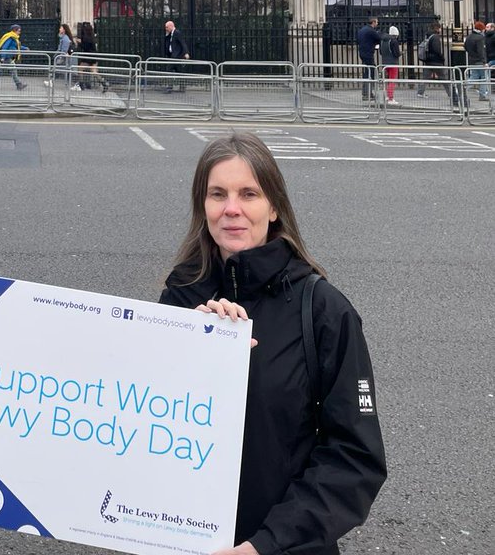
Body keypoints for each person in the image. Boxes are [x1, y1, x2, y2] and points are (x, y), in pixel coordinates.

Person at [160, 132, 386, 555]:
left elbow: (355, 459)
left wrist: (264, 546)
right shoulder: (180, 295)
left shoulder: (324, 310)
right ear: (202, 206)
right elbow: (131, 412)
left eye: (249, 193)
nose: (232, 208)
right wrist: (182, 347)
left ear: (274, 207)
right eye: (217, 194)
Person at [416, 21, 453, 100]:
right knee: (443, 77)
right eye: (440, 28)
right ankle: (451, 94)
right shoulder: (435, 37)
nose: (440, 30)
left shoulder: (427, 36)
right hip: (436, 61)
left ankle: (420, 92)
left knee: (425, 77)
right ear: (437, 28)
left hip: (428, 60)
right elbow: (437, 50)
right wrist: (442, 57)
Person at [0, 24, 26, 90]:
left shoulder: (14, 37)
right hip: (7, 57)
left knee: (0, 71)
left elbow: (16, 46)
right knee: (13, 70)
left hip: (7, 57)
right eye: (19, 31)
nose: (20, 32)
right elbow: (5, 47)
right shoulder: (10, 37)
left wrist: (25, 48)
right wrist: (3, 57)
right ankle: (19, 85)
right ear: (14, 30)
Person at [74, 20, 107, 93]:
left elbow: (85, 47)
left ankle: (81, 84)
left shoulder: (86, 38)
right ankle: (104, 83)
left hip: (88, 56)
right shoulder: (92, 37)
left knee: (80, 69)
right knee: (94, 72)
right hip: (94, 56)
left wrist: (79, 43)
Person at [356, 16, 382, 101]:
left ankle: (365, 93)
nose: (377, 24)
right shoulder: (371, 31)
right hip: (368, 54)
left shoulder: (362, 30)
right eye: (377, 22)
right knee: (371, 73)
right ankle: (368, 93)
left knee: (366, 73)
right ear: (373, 22)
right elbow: (379, 39)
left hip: (362, 53)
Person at [463, 20, 489, 102]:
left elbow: (465, 47)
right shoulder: (480, 38)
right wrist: (484, 62)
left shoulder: (469, 36)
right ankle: (482, 95)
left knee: (474, 77)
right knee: (484, 78)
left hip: (472, 60)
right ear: (481, 29)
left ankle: (463, 88)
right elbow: (481, 51)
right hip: (479, 61)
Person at [163, 18, 190, 93]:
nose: (166, 29)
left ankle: (170, 87)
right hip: (173, 56)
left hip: (177, 56)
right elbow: (168, 43)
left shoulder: (177, 33)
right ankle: (180, 87)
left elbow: (182, 43)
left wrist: (186, 53)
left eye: (167, 27)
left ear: (171, 26)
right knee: (178, 71)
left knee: (170, 70)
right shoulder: (170, 34)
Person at [381, 25, 400, 103]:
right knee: (392, 80)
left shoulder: (383, 40)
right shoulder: (394, 41)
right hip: (393, 63)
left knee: (388, 80)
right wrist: (400, 53)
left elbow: (380, 52)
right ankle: (390, 97)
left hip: (385, 62)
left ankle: (387, 96)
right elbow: (396, 53)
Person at [53, 22, 75, 89]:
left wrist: (60, 55)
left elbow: (64, 49)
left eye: (61, 28)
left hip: (64, 56)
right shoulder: (63, 37)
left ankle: (52, 81)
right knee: (65, 70)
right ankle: (52, 81)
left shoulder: (65, 38)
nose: (59, 29)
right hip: (63, 56)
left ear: (64, 30)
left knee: (59, 69)